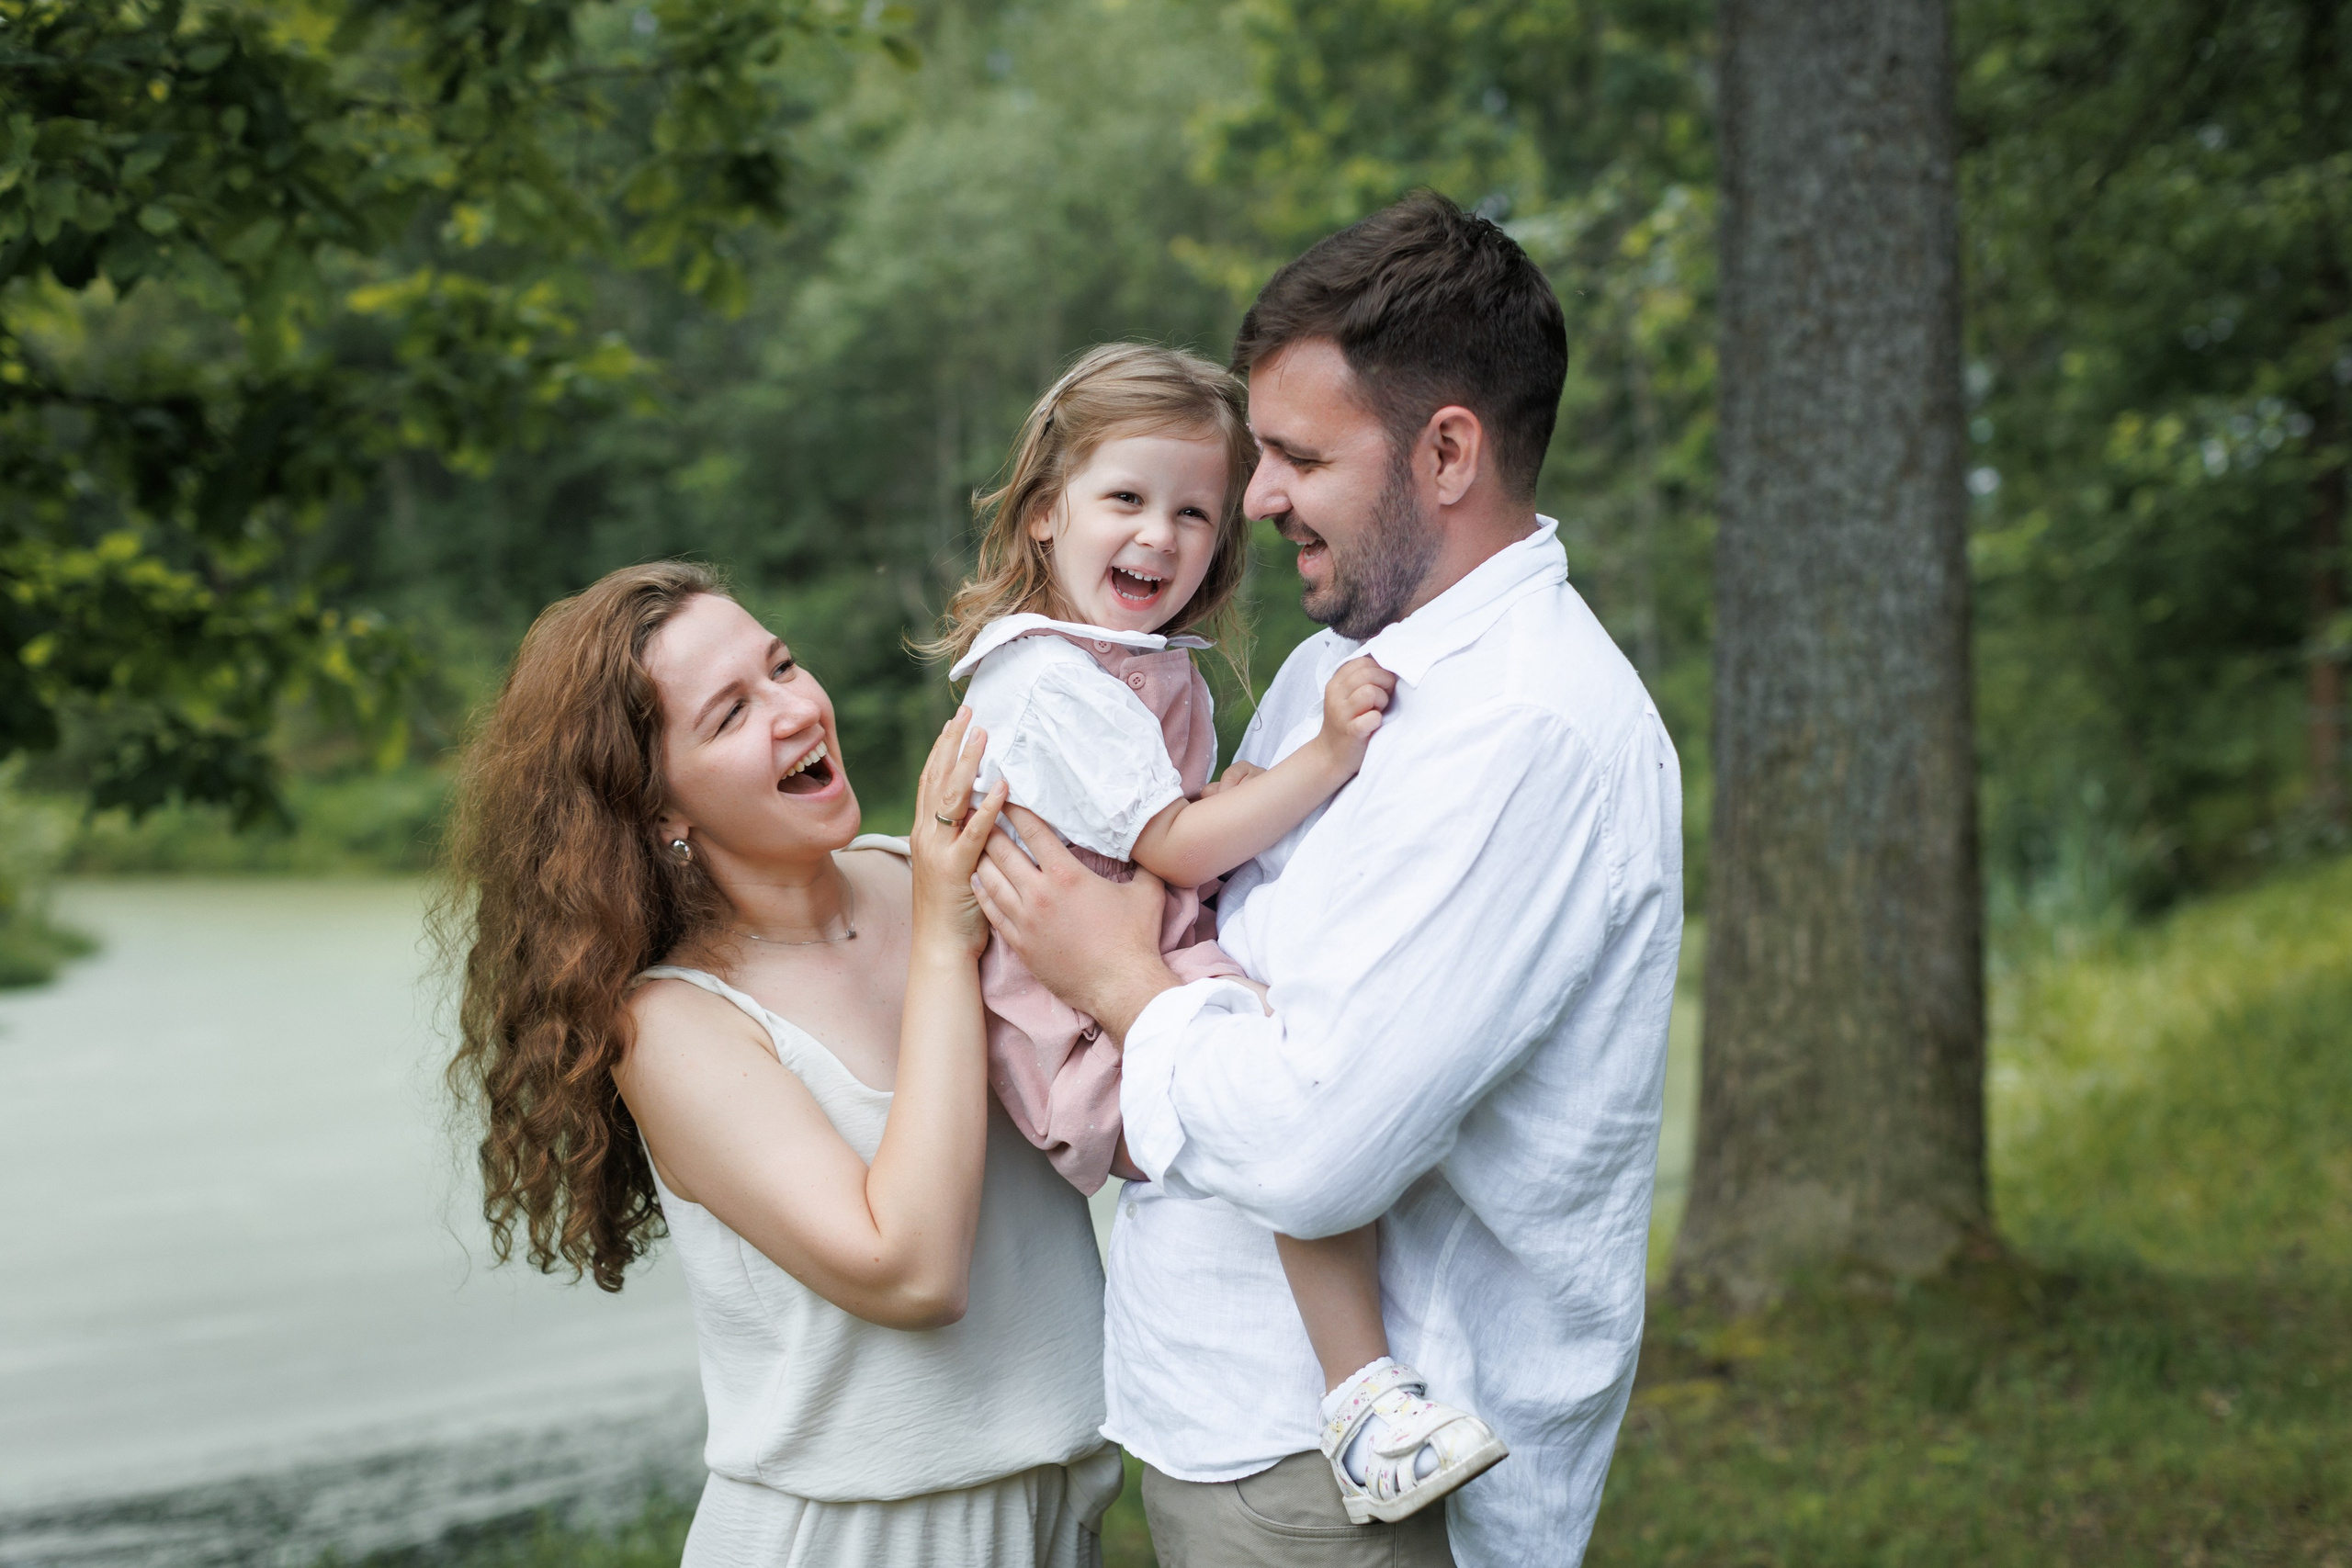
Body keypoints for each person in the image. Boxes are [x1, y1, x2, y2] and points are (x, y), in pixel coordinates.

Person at [971, 192, 1685, 1567]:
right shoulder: (1335, 665)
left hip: (1355, 1490)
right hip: (1224, 1417)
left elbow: (1314, 1149)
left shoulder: (1528, 729)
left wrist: (1115, 977)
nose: (1253, 498)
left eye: (1296, 454)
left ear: (1449, 451)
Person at [924, 342, 1508, 1525]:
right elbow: (1181, 847)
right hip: (1076, 1035)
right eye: (1125, 500)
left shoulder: (1129, 663)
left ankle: (1356, 1382)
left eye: (1193, 511)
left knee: (1280, 1086)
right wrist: (1325, 758)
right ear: (1045, 513)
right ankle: (1359, 1400)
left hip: (1117, 973)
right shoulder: (1046, 681)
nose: (1160, 536)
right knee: (1276, 1089)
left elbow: (1175, 828)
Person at [443, 562, 1122, 1568]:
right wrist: (944, 939)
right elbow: (910, 1272)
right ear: (659, 810)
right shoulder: (672, 1024)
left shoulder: (926, 876)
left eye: (783, 665)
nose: (796, 708)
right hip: (858, 1534)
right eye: (729, 715)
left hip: (1060, 1501)